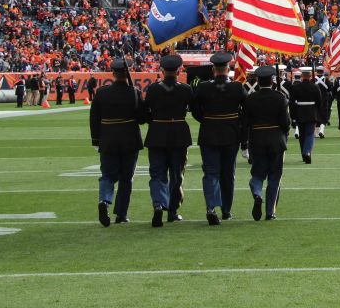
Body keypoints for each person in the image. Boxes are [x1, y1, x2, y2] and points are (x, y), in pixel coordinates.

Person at [89, 57, 147, 227]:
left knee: (107, 175)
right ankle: (121, 214)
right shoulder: (134, 92)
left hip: (108, 139)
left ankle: (104, 200)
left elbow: (94, 118)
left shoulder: (102, 92)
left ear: (113, 73)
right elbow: (142, 118)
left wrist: (96, 140)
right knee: (126, 178)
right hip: (130, 139)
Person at [190, 51, 246, 225]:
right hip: (231, 134)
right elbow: (246, 109)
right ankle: (226, 210)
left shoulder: (204, 87)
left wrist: (206, 119)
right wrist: (236, 122)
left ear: (214, 69)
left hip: (209, 133)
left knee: (211, 173)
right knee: (228, 174)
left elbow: (195, 109)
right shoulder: (237, 87)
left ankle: (211, 207)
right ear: (228, 68)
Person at [144, 53, 193, 227]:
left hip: (157, 133)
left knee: (157, 174)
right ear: (179, 70)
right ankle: (172, 210)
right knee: (176, 175)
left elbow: (144, 114)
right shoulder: (186, 89)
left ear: (162, 70)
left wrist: (156, 120)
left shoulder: (153, 89)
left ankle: (158, 204)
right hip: (179, 134)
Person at [242, 65, 290, 221]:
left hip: (257, 140)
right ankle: (270, 212)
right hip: (276, 139)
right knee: (275, 177)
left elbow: (246, 123)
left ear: (258, 81)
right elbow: (285, 123)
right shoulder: (280, 97)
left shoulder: (250, 99)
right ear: (272, 80)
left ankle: (257, 193)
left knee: (257, 175)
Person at [289, 69, 322, 164]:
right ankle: (307, 152)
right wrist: (318, 113)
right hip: (311, 113)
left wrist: (293, 116)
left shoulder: (296, 87)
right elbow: (319, 102)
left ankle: (304, 155)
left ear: (302, 76)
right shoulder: (315, 87)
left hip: (300, 112)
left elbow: (292, 103)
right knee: (310, 134)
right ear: (310, 76)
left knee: (302, 135)